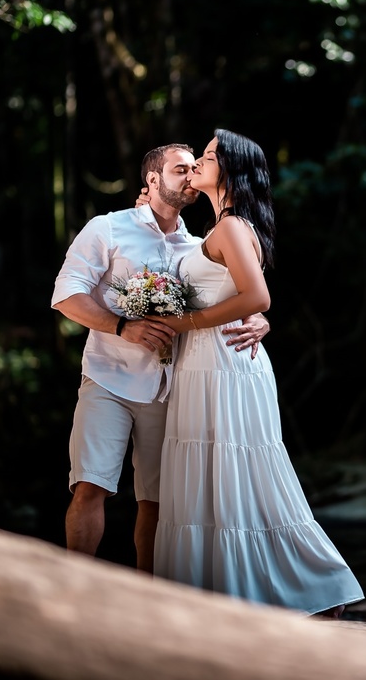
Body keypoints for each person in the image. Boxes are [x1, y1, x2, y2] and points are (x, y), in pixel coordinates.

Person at [148, 129, 364, 617]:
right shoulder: (222, 226)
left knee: (235, 472)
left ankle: (311, 585)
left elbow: (258, 298)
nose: (199, 163)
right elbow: (240, 296)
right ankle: (225, 593)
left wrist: (184, 322)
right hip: (211, 361)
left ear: (232, 169)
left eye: (207, 156)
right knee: (221, 475)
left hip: (222, 362)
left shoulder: (229, 227)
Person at [51, 143, 270, 573]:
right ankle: (71, 585)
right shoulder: (108, 228)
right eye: (179, 169)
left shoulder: (196, 244)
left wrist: (261, 318)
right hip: (109, 379)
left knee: (156, 501)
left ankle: (147, 595)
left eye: (195, 169)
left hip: (172, 389)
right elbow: (66, 296)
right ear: (152, 180)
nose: (190, 176)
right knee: (91, 485)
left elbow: (230, 289)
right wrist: (120, 326)